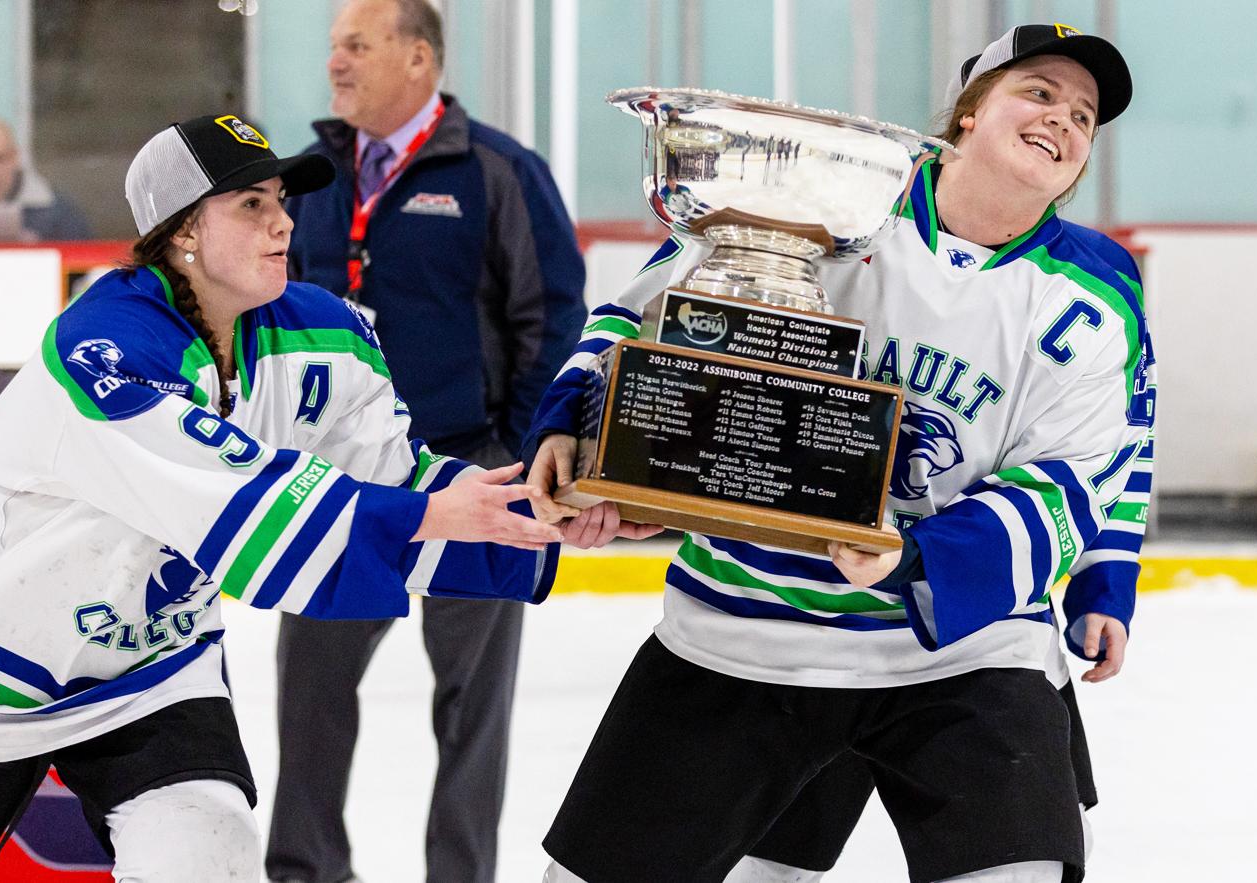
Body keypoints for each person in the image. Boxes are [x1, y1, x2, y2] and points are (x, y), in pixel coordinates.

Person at [530, 23, 1151, 883]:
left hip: (966, 654)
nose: (1063, 120)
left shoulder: (1096, 290)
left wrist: (1092, 576)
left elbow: (1083, 474)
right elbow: (638, 319)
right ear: (968, 115)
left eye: (1084, 117)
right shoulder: (827, 201)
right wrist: (575, 424)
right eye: (1038, 92)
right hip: (748, 631)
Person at [0, 112, 568, 883]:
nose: (283, 221)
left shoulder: (325, 335)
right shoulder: (104, 351)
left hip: (149, 671)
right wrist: (428, 513)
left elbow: (397, 479)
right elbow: (242, 511)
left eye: (281, 199)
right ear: (183, 229)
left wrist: (548, 511)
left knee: (209, 857)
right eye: (250, 204)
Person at [265, 2, 587, 881]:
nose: (335, 62)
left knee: (472, 710)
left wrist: (515, 453)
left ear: (418, 59)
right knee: (310, 697)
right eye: (332, 44)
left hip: (473, 473)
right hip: (343, 486)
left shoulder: (498, 171)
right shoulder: (312, 175)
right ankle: (304, 871)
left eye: (356, 45)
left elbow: (551, 317)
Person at [729, 447, 1153, 882]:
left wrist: (1105, 583)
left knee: (1026, 852)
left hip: (988, 633)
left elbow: (1109, 455)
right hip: (799, 625)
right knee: (760, 859)